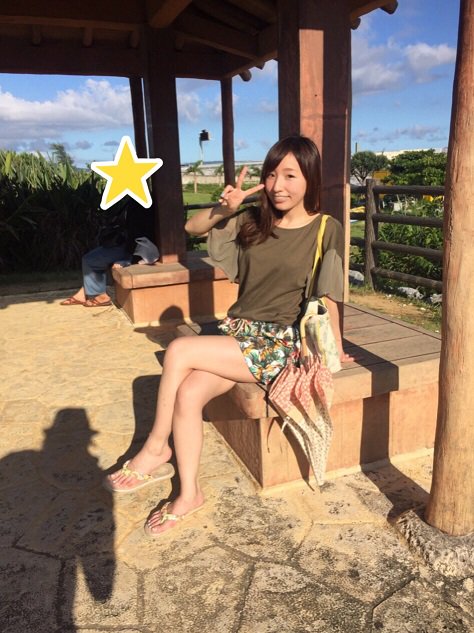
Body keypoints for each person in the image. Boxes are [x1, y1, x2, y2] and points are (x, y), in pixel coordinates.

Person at [105, 135, 354, 536]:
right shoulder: (254, 220)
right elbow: (192, 227)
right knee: (189, 394)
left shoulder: (326, 228)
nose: (278, 185)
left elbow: (328, 296)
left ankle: (155, 446)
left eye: (290, 175)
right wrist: (225, 209)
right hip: (240, 334)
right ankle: (189, 493)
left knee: (180, 350)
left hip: (279, 344)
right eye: (271, 175)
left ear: (310, 178)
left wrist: (335, 348)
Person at [60, 200, 158, 307]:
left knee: (90, 260)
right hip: (128, 246)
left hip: (135, 249)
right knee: (93, 257)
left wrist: (128, 260)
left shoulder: (139, 206)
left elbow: (137, 234)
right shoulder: (137, 203)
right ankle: (83, 294)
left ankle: (100, 297)